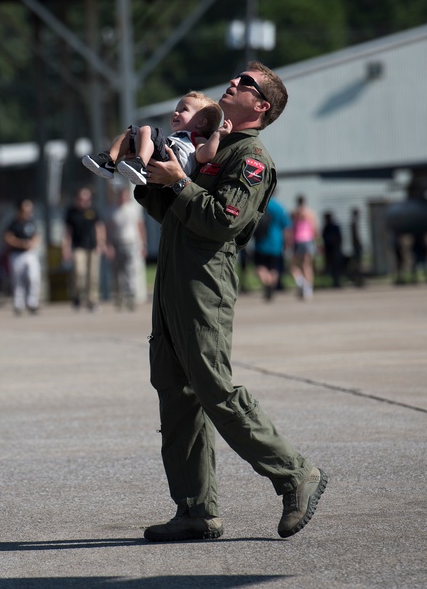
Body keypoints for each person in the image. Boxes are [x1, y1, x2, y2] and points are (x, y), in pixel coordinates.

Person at [134, 61, 327, 543]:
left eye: (247, 84)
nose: (235, 82)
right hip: (175, 278)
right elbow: (176, 213)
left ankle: (295, 474)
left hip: (204, 282)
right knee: (176, 394)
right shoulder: (208, 147)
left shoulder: (250, 156)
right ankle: (196, 510)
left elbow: (225, 220)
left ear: (261, 106)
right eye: (237, 77)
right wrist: (148, 177)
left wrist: (179, 181)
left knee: (212, 386)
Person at [82, 92, 226, 186]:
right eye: (177, 109)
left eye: (184, 110)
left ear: (201, 122)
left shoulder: (198, 139)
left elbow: (204, 156)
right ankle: (108, 161)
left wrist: (217, 136)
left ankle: (140, 164)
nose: (176, 112)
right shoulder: (175, 136)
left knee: (146, 130)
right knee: (132, 132)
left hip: (174, 161)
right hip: (164, 155)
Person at [62, 187, 108, 312]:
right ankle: (77, 297)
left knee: (93, 275)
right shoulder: (71, 212)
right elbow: (68, 232)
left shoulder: (93, 210)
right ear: (77, 199)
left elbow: (99, 227)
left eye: (88, 198)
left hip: (93, 247)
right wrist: (66, 248)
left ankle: (92, 301)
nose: (85, 201)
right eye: (82, 198)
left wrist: (101, 243)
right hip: (78, 247)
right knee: (79, 273)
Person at [107, 185, 147, 311]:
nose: (122, 198)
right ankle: (119, 297)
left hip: (131, 243)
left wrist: (143, 244)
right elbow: (109, 229)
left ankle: (130, 297)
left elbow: (140, 227)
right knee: (117, 272)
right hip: (117, 243)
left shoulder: (133, 209)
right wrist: (109, 245)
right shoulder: (112, 210)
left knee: (130, 271)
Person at [3, 198, 41, 315]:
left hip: (29, 253)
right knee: (18, 280)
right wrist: (21, 243)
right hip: (16, 254)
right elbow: (8, 238)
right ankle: (18, 304)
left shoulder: (31, 222)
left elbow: (36, 235)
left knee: (33, 277)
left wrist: (32, 243)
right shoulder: (13, 224)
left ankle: (32, 302)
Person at [251, 194, 291, 301]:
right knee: (274, 268)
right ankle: (271, 285)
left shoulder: (258, 204)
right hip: (276, 243)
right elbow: (286, 225)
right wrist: (287, 242)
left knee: (260, 266)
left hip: (261, 242)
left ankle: (267, 283)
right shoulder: (279, 207)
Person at [290, 195, 319, 300]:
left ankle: (301, 283)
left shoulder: (294, 213)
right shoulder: (311, 213)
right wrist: (318, 242)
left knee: (294, 266)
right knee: (308, 266)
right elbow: (315, 229)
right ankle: (308, 289)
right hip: (309, 240)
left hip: (298, 240)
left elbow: (291, 227)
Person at [321, 211, 344, 288]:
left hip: (335, 249)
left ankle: (337, 281)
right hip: (329, 250)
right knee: (331, 267)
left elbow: (340, 238)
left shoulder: (334, 227)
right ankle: (334, 281)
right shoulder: (326, 227)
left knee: (337, 267)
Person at [347, 207, 365, 287]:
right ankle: (358, 279)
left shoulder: (355, 223)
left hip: (356, 246)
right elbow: (355, 236)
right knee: (358, 264)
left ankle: (359, 279)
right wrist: (358, 244)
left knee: (358, 263)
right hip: (356, 246)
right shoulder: (354, 223)